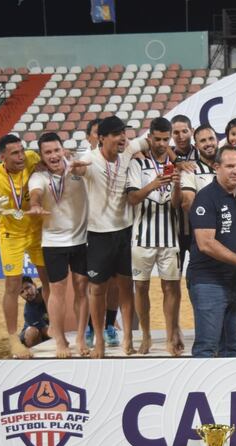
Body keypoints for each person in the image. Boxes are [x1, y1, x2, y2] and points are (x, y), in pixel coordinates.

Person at [72, 115, 147, 358]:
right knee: (97, 290)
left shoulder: (127, 151)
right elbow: (78, 167)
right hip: (98, 234)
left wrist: (174, 157)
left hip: (124, 231)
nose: (122, 138)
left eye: (123, 133)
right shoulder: (90, 160)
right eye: (116, 134)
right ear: (101, 138)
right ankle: (100, 341)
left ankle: (127, 337)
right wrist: (75, 168)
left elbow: (148, 141)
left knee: (126, 286)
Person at [187, 145, 236, 357]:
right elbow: (206, 243)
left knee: (233, 347)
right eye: (229, 166)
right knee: (207, 347)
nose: (235, 171)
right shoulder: (206, 197)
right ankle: (201, 391)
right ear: (216, 167)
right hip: (208, 281)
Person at [0, 134, 50, 358]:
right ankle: (13, 340)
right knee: (12, 285)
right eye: (14, 153)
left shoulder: (31, 157)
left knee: (49, 280)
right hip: (12, 234)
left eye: (21, 151)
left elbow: (51, 158)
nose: (21, 156)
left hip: (37, 230)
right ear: (2, 157)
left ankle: (56, 329)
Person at [27, 132, 89, 358]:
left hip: (82, 238)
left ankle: (81, 338)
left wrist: (79, 168)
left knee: (83, 288)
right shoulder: (39, 177)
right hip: (53, 242)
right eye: (48, 152)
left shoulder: (76, 165)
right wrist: (34, 205)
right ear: (42, 156)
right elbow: (35, 193)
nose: (53, 156)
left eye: (56, 150)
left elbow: (85, 170)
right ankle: (60, 340)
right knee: (57, 290)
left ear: (63, 149)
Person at [126, 117, 184, 356]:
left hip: (170, 237)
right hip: (142, 238)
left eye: (165, 139)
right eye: (157, 139)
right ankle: (146, 335)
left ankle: (171, 337)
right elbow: (132, 199)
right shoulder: (137, 164)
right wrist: (154, 184)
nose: (161, 143)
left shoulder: (176, 165)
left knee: (171, 287)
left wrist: (177, 186)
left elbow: (177, 205)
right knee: (141, 288)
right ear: (149, 138)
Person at [18, 276, 50, 348]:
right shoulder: (29, 312)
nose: (26, 293)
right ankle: (37, 355)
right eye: (22, 292)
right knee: (32, 332)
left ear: (34, 285)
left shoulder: (48, 290)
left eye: (27, 288)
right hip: (35, 336)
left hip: (50, 331)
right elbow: (46, 331)